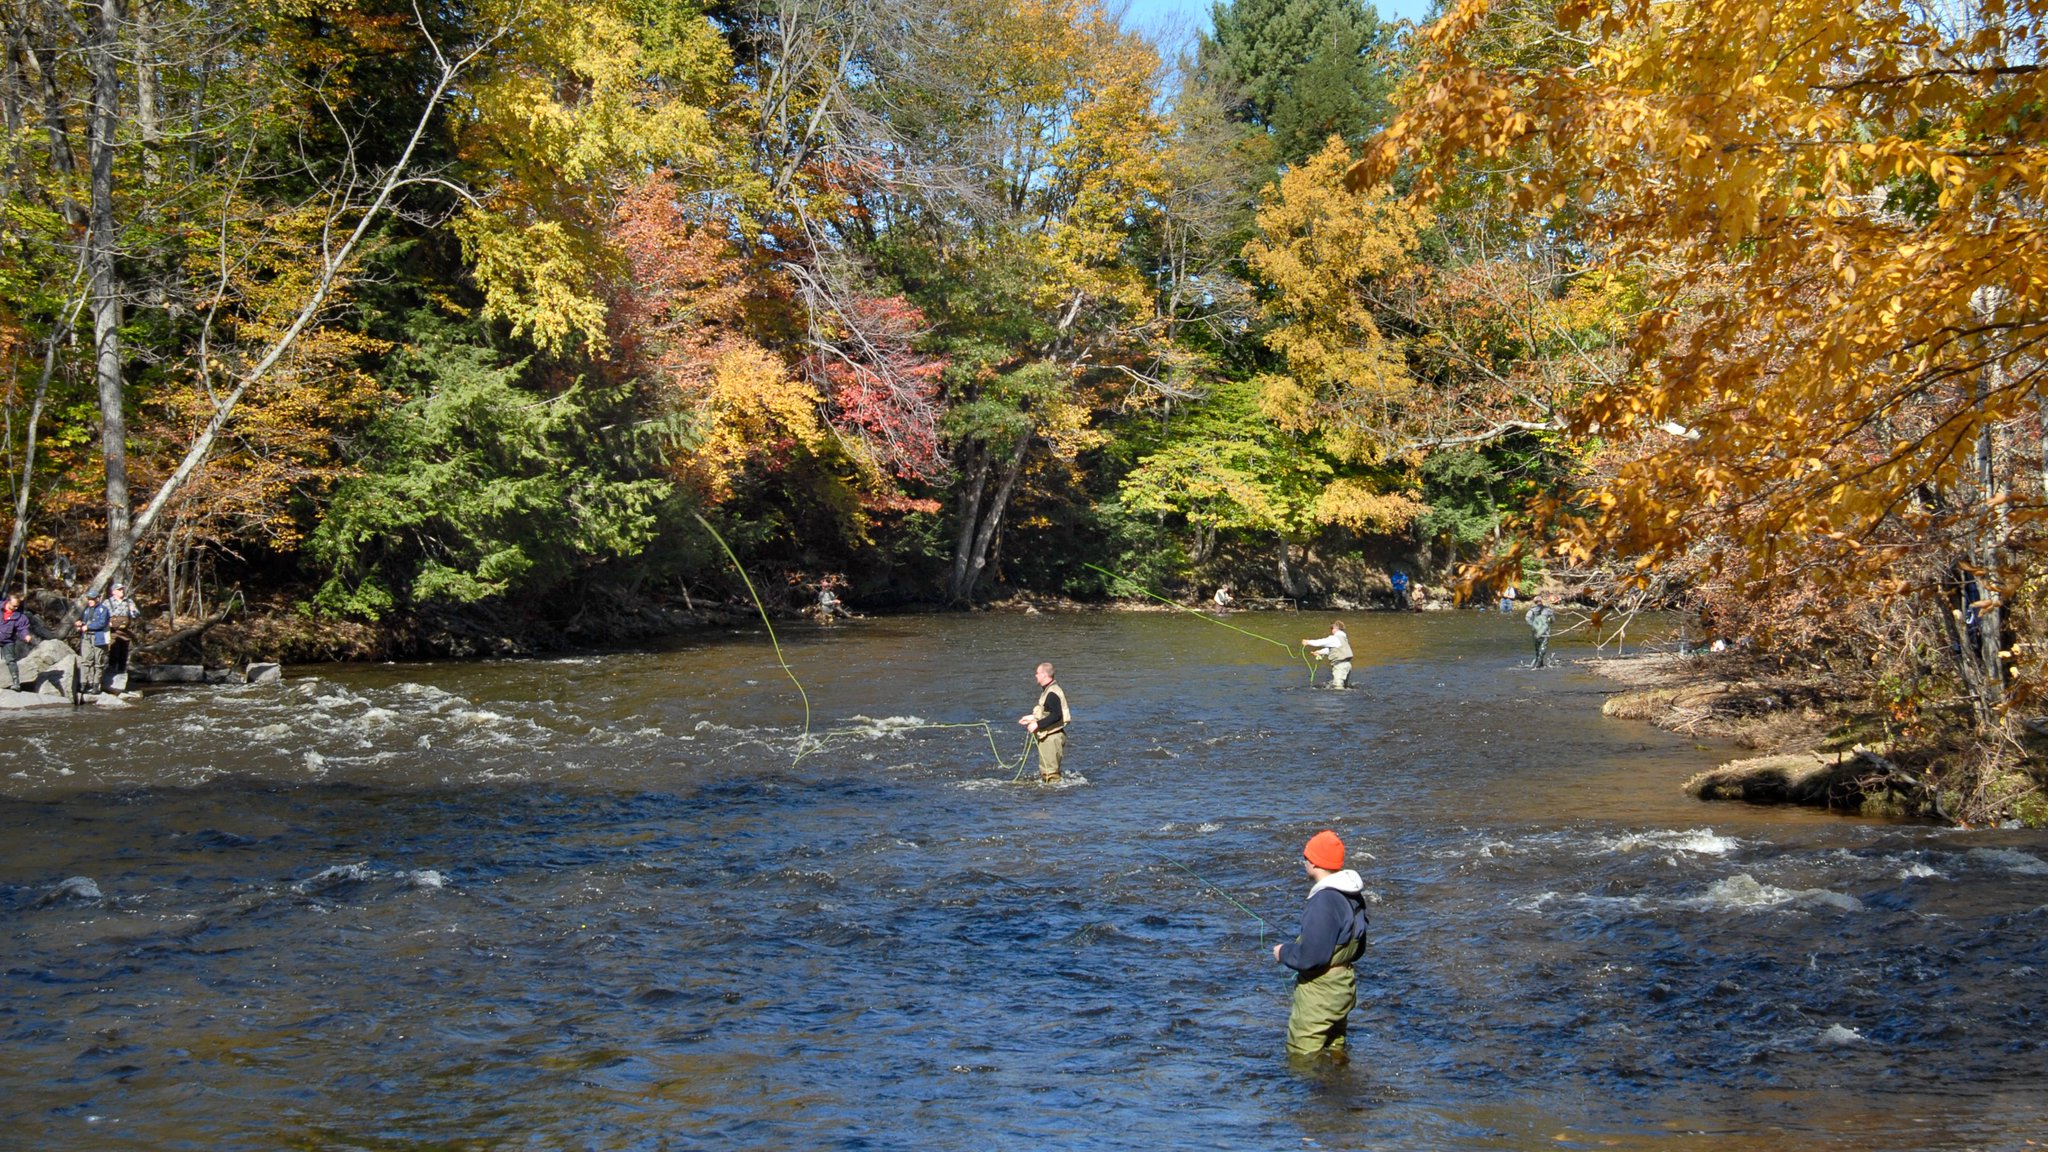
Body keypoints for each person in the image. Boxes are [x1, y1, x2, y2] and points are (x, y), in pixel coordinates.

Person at [1273, 829, 1370, 1059]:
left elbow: (1309, 958)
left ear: (1315, 864)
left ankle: (1315, 1092)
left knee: (1301, 1057)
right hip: (1343, 987)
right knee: (1335, 1048)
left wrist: (1283, 952)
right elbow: (1359, 948)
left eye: (1306, 858)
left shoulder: (1324, 900)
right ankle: (1337, 1090)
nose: (1304, 862)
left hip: (1320, 993)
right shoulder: (1352, 894)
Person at [1017, 661, 1070, 784]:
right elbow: (1046, 712)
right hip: (1050, 736)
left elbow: (1057, 715)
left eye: (1037, 673)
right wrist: (1031, 718)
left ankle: (1053, 800)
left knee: (1050, 774)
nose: (1035, 675)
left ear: (1044, 675)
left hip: (1052, 738)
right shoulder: (1048, 690)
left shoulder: (1052, 693)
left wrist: (1037, 725)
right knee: (1047, 773)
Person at [76, 590, 112, 695]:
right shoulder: (87, 610)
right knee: (85, 661)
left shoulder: (103, 610)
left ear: (97, 598)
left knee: (98, 663)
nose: (90, 601)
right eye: (89, 599)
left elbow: (101, 623)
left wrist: (88, 626)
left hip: (99, 639)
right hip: (86, 638)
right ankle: (83, 684)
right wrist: (80, 624)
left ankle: (96, 685)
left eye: (92, 599)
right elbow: (85, 621)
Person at [105, 582, 140, 688]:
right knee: (113, 654)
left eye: (122, 589)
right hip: (112, 632)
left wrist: (133, 611)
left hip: (125, 632)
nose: (122, 591)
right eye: (119, 590)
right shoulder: (107, 602)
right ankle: (110, 679)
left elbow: (136, 614)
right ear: (113, 592)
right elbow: (103, 616)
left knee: (123, 655)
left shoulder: (129, 602)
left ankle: (121, 677)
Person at [1300, 620, 1353, 689]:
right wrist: (1319, 652)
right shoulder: (1343, 638)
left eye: (1331, 628)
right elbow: (1332, 649)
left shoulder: (1334, 638)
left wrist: (1308, 642)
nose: (1331, 630)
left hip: (1340, 666)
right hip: (1347, 665)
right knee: (1345, 687)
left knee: (1338, 688)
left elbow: (1321, 642)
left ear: (1336, 628)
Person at [0, 592, 35, 691]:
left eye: (17, 606)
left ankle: (16, 683)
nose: (15, 608)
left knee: (10, 660)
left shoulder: (19, 616)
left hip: (8, 640)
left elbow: (23, 628)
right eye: (13, 606)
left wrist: (26, 635)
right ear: (8, 601)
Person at [1525, 596, 1556, 667]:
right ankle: (1539, 663)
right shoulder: (1548, 610)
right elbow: (1553, 620)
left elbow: (1527, 619)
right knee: (1543, 646)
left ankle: (1538, 662)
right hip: (1545, 630)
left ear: (1535, 602)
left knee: (1537, 648)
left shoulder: (1531, 610)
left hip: (1535, 631)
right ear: (1541, 601)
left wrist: (1533, 625)